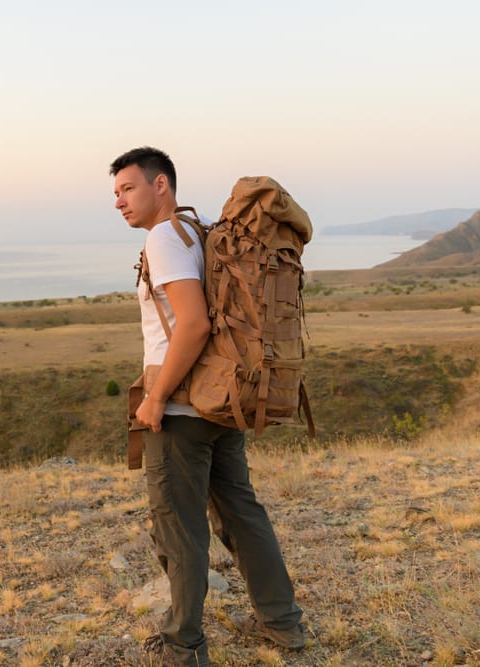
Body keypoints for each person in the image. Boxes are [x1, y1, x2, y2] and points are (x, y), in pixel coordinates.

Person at [110, 147, 305, 666]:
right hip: (221, 402)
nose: (119, 202)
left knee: (180, 527)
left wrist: (154, 400)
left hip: (181, 409)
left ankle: (182, 646)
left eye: (128, 189)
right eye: (116, 193)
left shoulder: (164, 239)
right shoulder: (199, 233)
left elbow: (193, 323)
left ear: (161, 186)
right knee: (242, 513)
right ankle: (282, 625)